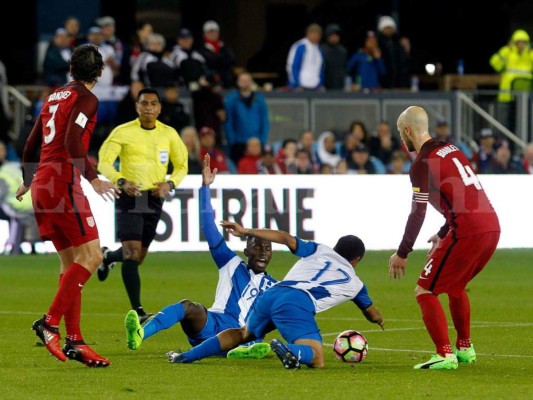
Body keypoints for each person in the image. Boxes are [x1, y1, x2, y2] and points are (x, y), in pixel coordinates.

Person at [16, 44, 119, 367]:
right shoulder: (87, 99)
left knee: (70, 262)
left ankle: (75, 339)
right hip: (63, 180)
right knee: (93, 255)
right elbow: (74, 141)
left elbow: (32, 143)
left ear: (71, 70)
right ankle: (49, 323)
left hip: (43, 183)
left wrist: (27, 178)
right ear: (100, 73)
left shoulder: (53, 97)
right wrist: (94, 177)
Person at [166, 222, 384, 368]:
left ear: (336, 248)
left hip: (272, 293)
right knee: (317, 357)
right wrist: (378, 319)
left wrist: (246, 232)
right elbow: (371, 313)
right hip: (297, 301)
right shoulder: (356, 284)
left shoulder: (319, 249)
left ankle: (186, 356)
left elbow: (283, 237)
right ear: (357, 260)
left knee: (243, 333)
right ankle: (289, 349)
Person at [123, 153, 277, 359]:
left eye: (267, 248)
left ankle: (243, 348)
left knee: (254, 331)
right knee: (188, 307)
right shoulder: (230, 263)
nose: (263, 253)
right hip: (213, 323)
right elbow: (208, 226)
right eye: (257, 247)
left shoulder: (276, 287)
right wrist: (205, 187)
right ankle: (140, 333)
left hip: (243, 333)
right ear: (247, 251)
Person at [389, 106, 500, 370]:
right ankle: (465, 348)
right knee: (455, 285)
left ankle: (444, 354)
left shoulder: (421, 164)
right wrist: (442, 233)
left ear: (406, 131)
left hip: (468, 231)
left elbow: (418, 211)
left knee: (424, 290)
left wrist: (403, 253)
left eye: (399, 132)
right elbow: (462, 195)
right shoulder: (451, 149)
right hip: (491, 226)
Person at [96, 87, 188, 323]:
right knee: (132, 252)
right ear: (137, 106)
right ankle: (137, 310)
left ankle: (106, 257)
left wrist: (170, 184)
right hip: (130, 195)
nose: (148, 108)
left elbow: (182, 166)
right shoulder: (123, 132)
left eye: (153, 103)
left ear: (159, 107)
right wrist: (120, 180)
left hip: (154, 198)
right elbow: (104, 162)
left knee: (137, 257)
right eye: (144, 103)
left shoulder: (169, 134)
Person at [489, 29, 533, 132]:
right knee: (506, 122)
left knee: (525, 122)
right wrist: (506, 51)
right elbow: (494, 64)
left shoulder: (530, 54)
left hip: (526, 98)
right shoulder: (507, 52)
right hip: (507, 95)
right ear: (514, 42)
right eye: (518, 42)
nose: (521, 45)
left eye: (524, 42)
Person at [224, 71, 270, 165]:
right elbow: (228, 121)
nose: (245, 83)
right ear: (237, 82)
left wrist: (262, 140)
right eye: (242, 80)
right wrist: (233, 141)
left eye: (247, 80)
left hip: (257, 141)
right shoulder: (231, 99)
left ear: (251, 82)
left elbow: (264, 120)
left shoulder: (259, 99)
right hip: (238, 142)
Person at [286, 23, 325, 91]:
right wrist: (296, 84)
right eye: (314, 34)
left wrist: (320, 84)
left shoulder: (319, 50)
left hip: (315, 87)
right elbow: (292, 66)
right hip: (300, 87)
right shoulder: (300, 47)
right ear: (308, 34)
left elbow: (320, 68)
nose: (316, 36)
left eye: (318, 35)